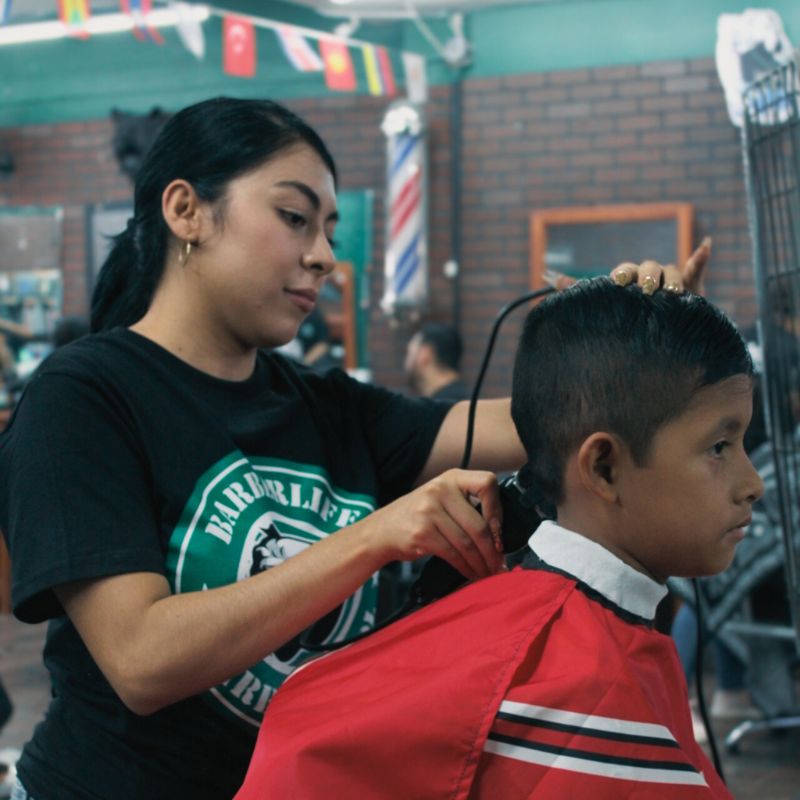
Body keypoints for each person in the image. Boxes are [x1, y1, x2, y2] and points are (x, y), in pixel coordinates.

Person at [0, 95, 706, 799]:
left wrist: (638, 348)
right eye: (294, 217)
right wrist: (375, 537)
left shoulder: (326, 405)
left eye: (329, 230)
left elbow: (550, 423)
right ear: (186, 211)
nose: (323, 256)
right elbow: (142, 660)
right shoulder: (85, 396)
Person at [234, 276, 760, 799]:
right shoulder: (569, 689)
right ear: (602, 467)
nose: (752, 483)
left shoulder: (585, 639)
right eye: (719, 446)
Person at [405, 322, 470, 401]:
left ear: (425, 354)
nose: (406, 363)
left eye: (410, 353)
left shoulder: (436, 408)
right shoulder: (466, 402)